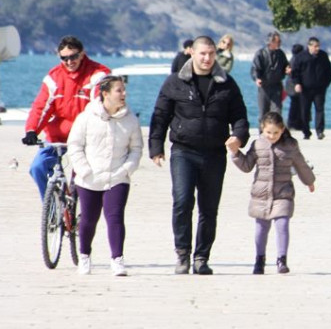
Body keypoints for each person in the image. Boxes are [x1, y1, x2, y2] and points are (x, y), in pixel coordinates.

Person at [149, 36, 250, 275]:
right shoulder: (175, 82)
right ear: (192, 54)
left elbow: (240, 117)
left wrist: (238, 137)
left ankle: (201, 257)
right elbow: (160, 116)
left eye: (211, 54)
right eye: (202, 54)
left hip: (214, 153)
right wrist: (156, 147)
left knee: (209, 208)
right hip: (184, 151)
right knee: (182, 201)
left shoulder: (227, 83)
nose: (207, 59)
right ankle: (182, 255)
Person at [67, 75, 143, 276]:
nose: (123, 94)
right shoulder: (86, 117)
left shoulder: (131, 120)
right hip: (89, 177)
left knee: (115, 217)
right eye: (119, 90)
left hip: (117, 177)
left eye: (124, 90)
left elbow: (136, 148)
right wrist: (84, 170)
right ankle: (84, 255)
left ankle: (117, 259)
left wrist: (126, 170)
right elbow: (74, 145)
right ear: (105, 94)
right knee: (89, 219)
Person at [21, 36, 110, 199]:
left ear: (82, 54)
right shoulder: (54, 77)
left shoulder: (98, 74)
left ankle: (77, 212)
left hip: (86, 137)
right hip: (58, 136)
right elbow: (41, 107)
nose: (69, 62)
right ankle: (52, 208)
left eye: (74, 56)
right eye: (64, 58)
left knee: (82, 178)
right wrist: (31, 131)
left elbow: (99, 106)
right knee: (37, 168)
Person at [227, 112, 315, 275]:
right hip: (261, 194)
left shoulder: (290, 145)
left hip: (283, 193)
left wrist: (309, 181)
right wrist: (236, 154)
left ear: (282, 130)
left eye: (276, 132)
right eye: (269, 132)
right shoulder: (258, 145)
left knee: (282, 224)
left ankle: (282, 259)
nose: (272, 136)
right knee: (261, 228)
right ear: (262, 129)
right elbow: (247, 166)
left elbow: (301, 165)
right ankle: (259, 259)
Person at [291, 37, 331, 140]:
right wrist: (297, 84)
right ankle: (306, 131)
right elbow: (295, 72)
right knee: (305, 111)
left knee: (320, 110)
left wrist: (325, 84)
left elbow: (329, 71)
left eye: (318, 46)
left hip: (320, 89)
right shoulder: (301, 57)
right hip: (305, 89)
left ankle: (319, 131)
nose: (317, 48)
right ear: (309, 46)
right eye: (315, 46)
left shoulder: (323, 56)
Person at [251, 31, 289, 123]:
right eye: (277, 41)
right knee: (263, 113)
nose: (279, 43)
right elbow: (255, 68)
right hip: (264, 86)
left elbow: (286, 65)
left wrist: (288, 69)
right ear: (271, 42)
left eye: (280, 41)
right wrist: (257, 78)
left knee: (277, 111)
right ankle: (262, 135)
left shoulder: (281, 54)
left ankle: (276, 134)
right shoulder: (261, 53)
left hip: (277, 87)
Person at [286, 44, 305, 130]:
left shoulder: (292, 59)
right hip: (294, 86)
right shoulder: (297, 60)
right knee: (296, 105)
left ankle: (294, 123)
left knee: (295, 105)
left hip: (290, 85)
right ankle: (294, 123)